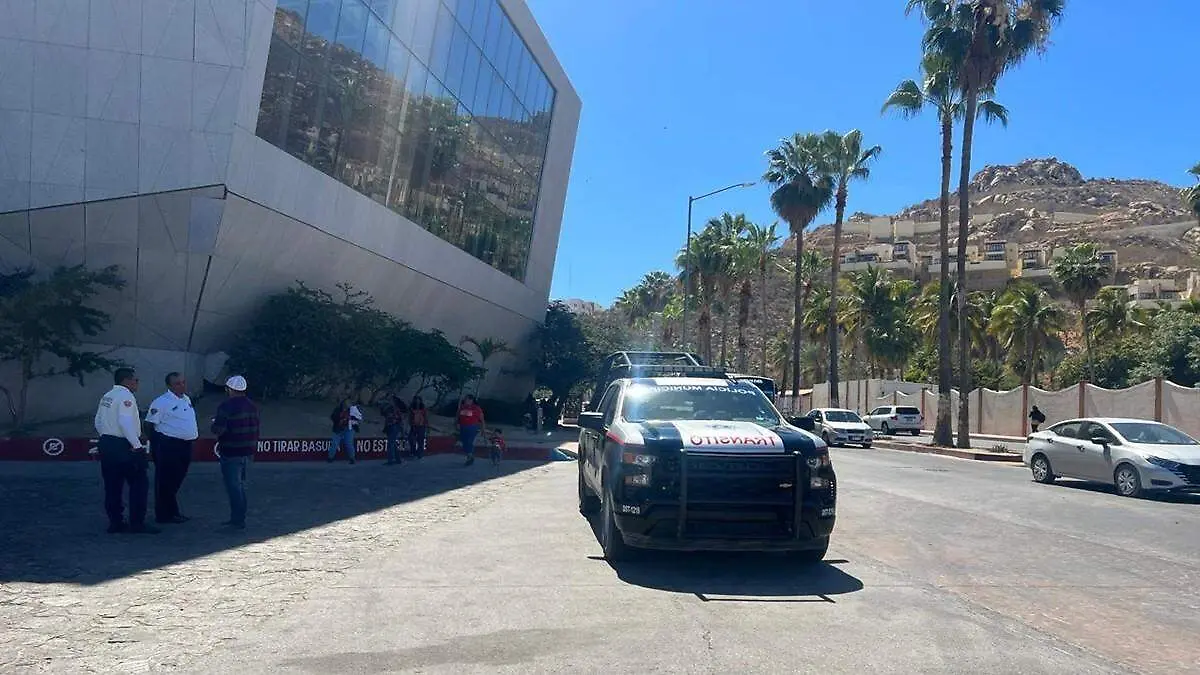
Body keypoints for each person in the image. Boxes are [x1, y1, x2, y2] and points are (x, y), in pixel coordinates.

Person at [94, 368, 158, 534]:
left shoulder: (107, 396)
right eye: (136, 380)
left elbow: (98, 421)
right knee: (139, 484)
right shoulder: (126, 397)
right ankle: (137, 522)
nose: (137, 383)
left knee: (112, 485)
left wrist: (105, 438)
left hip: (107, 443)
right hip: (124, 445)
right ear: (127, 381)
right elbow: (125, 422)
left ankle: (115, 522)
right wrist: (136, 445)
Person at [144, 371, 198, 524]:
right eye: (177, 383)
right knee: (165, 480)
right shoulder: (161, 402)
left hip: (185, 445)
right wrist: (157, 443)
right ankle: (164, 514)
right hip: (168, 445)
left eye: (183, 382)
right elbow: (149, 424)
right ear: (169, 385)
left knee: (177, 479)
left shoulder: (186, 399)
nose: (181, 386)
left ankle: (171, 511)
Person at [211, 375, 259, 531]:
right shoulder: (252, 406)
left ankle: (237, 520)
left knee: (233, 487)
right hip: (248, 451)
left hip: (231, 451)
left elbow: (219, 429)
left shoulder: (226, 406)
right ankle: (239, 517)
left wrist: (214, 424)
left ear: (229, 389)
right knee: (240, 486)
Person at [457, 394, 485, 466]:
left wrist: (483, 429)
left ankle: (470, 456)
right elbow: (459, 416)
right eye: (465, 399)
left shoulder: (476, 408)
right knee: (464, 442)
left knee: (469, 441)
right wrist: (457, 423)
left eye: (467, 399)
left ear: (471, 400)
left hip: (472, 427)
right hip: (463, 426)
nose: (465, 400)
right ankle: (470, 455)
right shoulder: (462, 407)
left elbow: (481, 419)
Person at [328, 398, 356, 464]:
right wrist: (341, 419)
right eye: (346, 403)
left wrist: (352, 420)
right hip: (338, 429)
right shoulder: (338, 409)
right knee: (334, 443)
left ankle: (352, 458)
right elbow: (333, 417)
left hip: (349, 429)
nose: (347, 404)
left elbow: (358, 419)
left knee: (349, 443)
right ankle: (330, 458)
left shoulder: (353, 410)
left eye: (349, 403)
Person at [383, 395, 406, 465]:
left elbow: (399, 420)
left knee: (391, 444)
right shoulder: (389, 408)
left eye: (390, 400)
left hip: (394, 427)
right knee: (393, 444)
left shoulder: (395, 409)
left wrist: (402, 431)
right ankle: (397, 459)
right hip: (391, 427)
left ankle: (391, 460)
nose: (388, 401)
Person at [408, 395, 428, 460]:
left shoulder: (423, 407)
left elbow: (425, 417)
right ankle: (413, 452)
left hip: (421, 426)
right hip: (414, 426)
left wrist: (426, 425)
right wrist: (411, 423)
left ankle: (420, 454)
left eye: (418, 399)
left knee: (420, 440)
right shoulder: (412, 407)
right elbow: (410, 417)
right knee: (411, 439)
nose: (417, 401)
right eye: (416, 399)